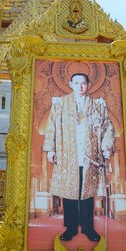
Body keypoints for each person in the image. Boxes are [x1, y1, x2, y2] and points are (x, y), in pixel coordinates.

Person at [43, 72, 115, 242]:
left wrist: (106, 148)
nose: (80, 86)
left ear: (88, 85)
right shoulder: (60, 104)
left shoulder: (98, 106)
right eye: (77, 83)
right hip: (68, 153)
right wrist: (51, 149)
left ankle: (88, 228)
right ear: (70, 84)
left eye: (83, 83)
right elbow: (51, 126)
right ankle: (71, 228)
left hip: (89, 156)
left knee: (87, 193)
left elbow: (107, 127)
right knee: (69, 193)